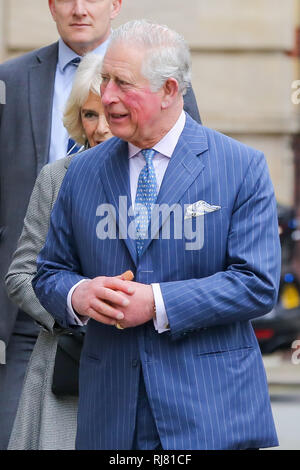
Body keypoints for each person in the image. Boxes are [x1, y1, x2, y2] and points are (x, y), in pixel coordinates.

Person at [33, 19, 280, 450]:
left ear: (169, 90)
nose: (106, 96)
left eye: (122, 84)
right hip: (110, 413)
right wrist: (78, 295)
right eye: (105, 79)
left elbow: (257, 284)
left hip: (209, 413)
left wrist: (158, 303)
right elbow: (49, 271)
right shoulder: (82, 172)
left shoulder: (241, 166)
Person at [0, 0, 124, 449]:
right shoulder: (56, 176)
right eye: (91, 115)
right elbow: (23, 272)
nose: (104, 126)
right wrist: (72, 304)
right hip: (50, 325)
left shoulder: (163, 180)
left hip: (139, 343)